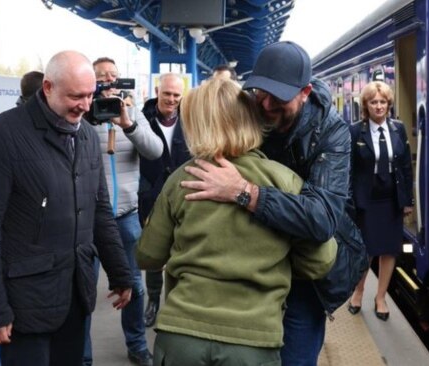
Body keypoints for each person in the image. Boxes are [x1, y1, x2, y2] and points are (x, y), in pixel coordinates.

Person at [180, 41, 365, 366]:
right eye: (259, 93)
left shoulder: (331, 131)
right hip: (252, 265)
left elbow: (322, 218)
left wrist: (244, 192)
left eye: (277, 97)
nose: (265, 106)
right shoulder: (251, 109)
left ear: (305, 92)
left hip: (304, 273)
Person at [136, 78, 337, 366]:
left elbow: (149, 256)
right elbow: (319, 262)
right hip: (253, 341)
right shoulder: (284, 180)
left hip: (182, 335)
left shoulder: (181, 179)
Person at [0, 50, 134, 366]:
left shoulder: (84, 135)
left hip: (76, 296)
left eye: (90, 95)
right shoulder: (0, 137)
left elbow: (99, 211)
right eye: (75, 96)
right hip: (24, 306)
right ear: (48, 88)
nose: (84, 105)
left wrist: (120, 273)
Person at [81, 57, 163, 366]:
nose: (107, 82)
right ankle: (82, 356)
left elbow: (154, 150)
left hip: (127, 215)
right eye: (101, 77)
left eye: (113, 76)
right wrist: (90, 118)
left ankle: (137, 345)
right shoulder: (83, 116)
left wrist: (127, 123)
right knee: (84, 292)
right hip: (89, 218)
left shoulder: (134, 112)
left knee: (134, 287)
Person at [347, 80, 414, 321]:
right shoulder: (356, 131)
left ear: (389, 104)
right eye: (373, 102)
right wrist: (350, 202)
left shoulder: (398, 129)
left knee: (389, 250)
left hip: (391, 198)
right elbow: (350, 169)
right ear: (365, 105)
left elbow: (406, 166)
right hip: (367, 198)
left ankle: (381, 297)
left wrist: (408, 200)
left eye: (383, 102)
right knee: (366, 250)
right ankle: (358, 292)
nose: (378, 106)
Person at [138, 73, 189, 329]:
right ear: (158, 90)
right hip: (151, 198)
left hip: (184, 197)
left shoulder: (191, 122)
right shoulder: (142, 120)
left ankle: (176, 305)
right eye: (167, 93)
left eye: (176, 95)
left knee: (183, 250)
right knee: (154, 253)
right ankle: (154, 302)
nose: (171, 99)